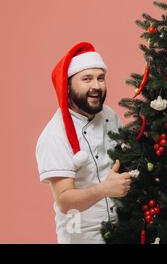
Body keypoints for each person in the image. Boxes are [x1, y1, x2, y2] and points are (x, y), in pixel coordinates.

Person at [36, 42, 131, 243]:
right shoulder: (54, 135)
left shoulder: (109, 115)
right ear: (68, 86)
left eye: (100, 78)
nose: (96, 86)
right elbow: (64, 200)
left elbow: (128, 153)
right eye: (86, 79)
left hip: (123, 230)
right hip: (84, 237)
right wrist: (106, 189)